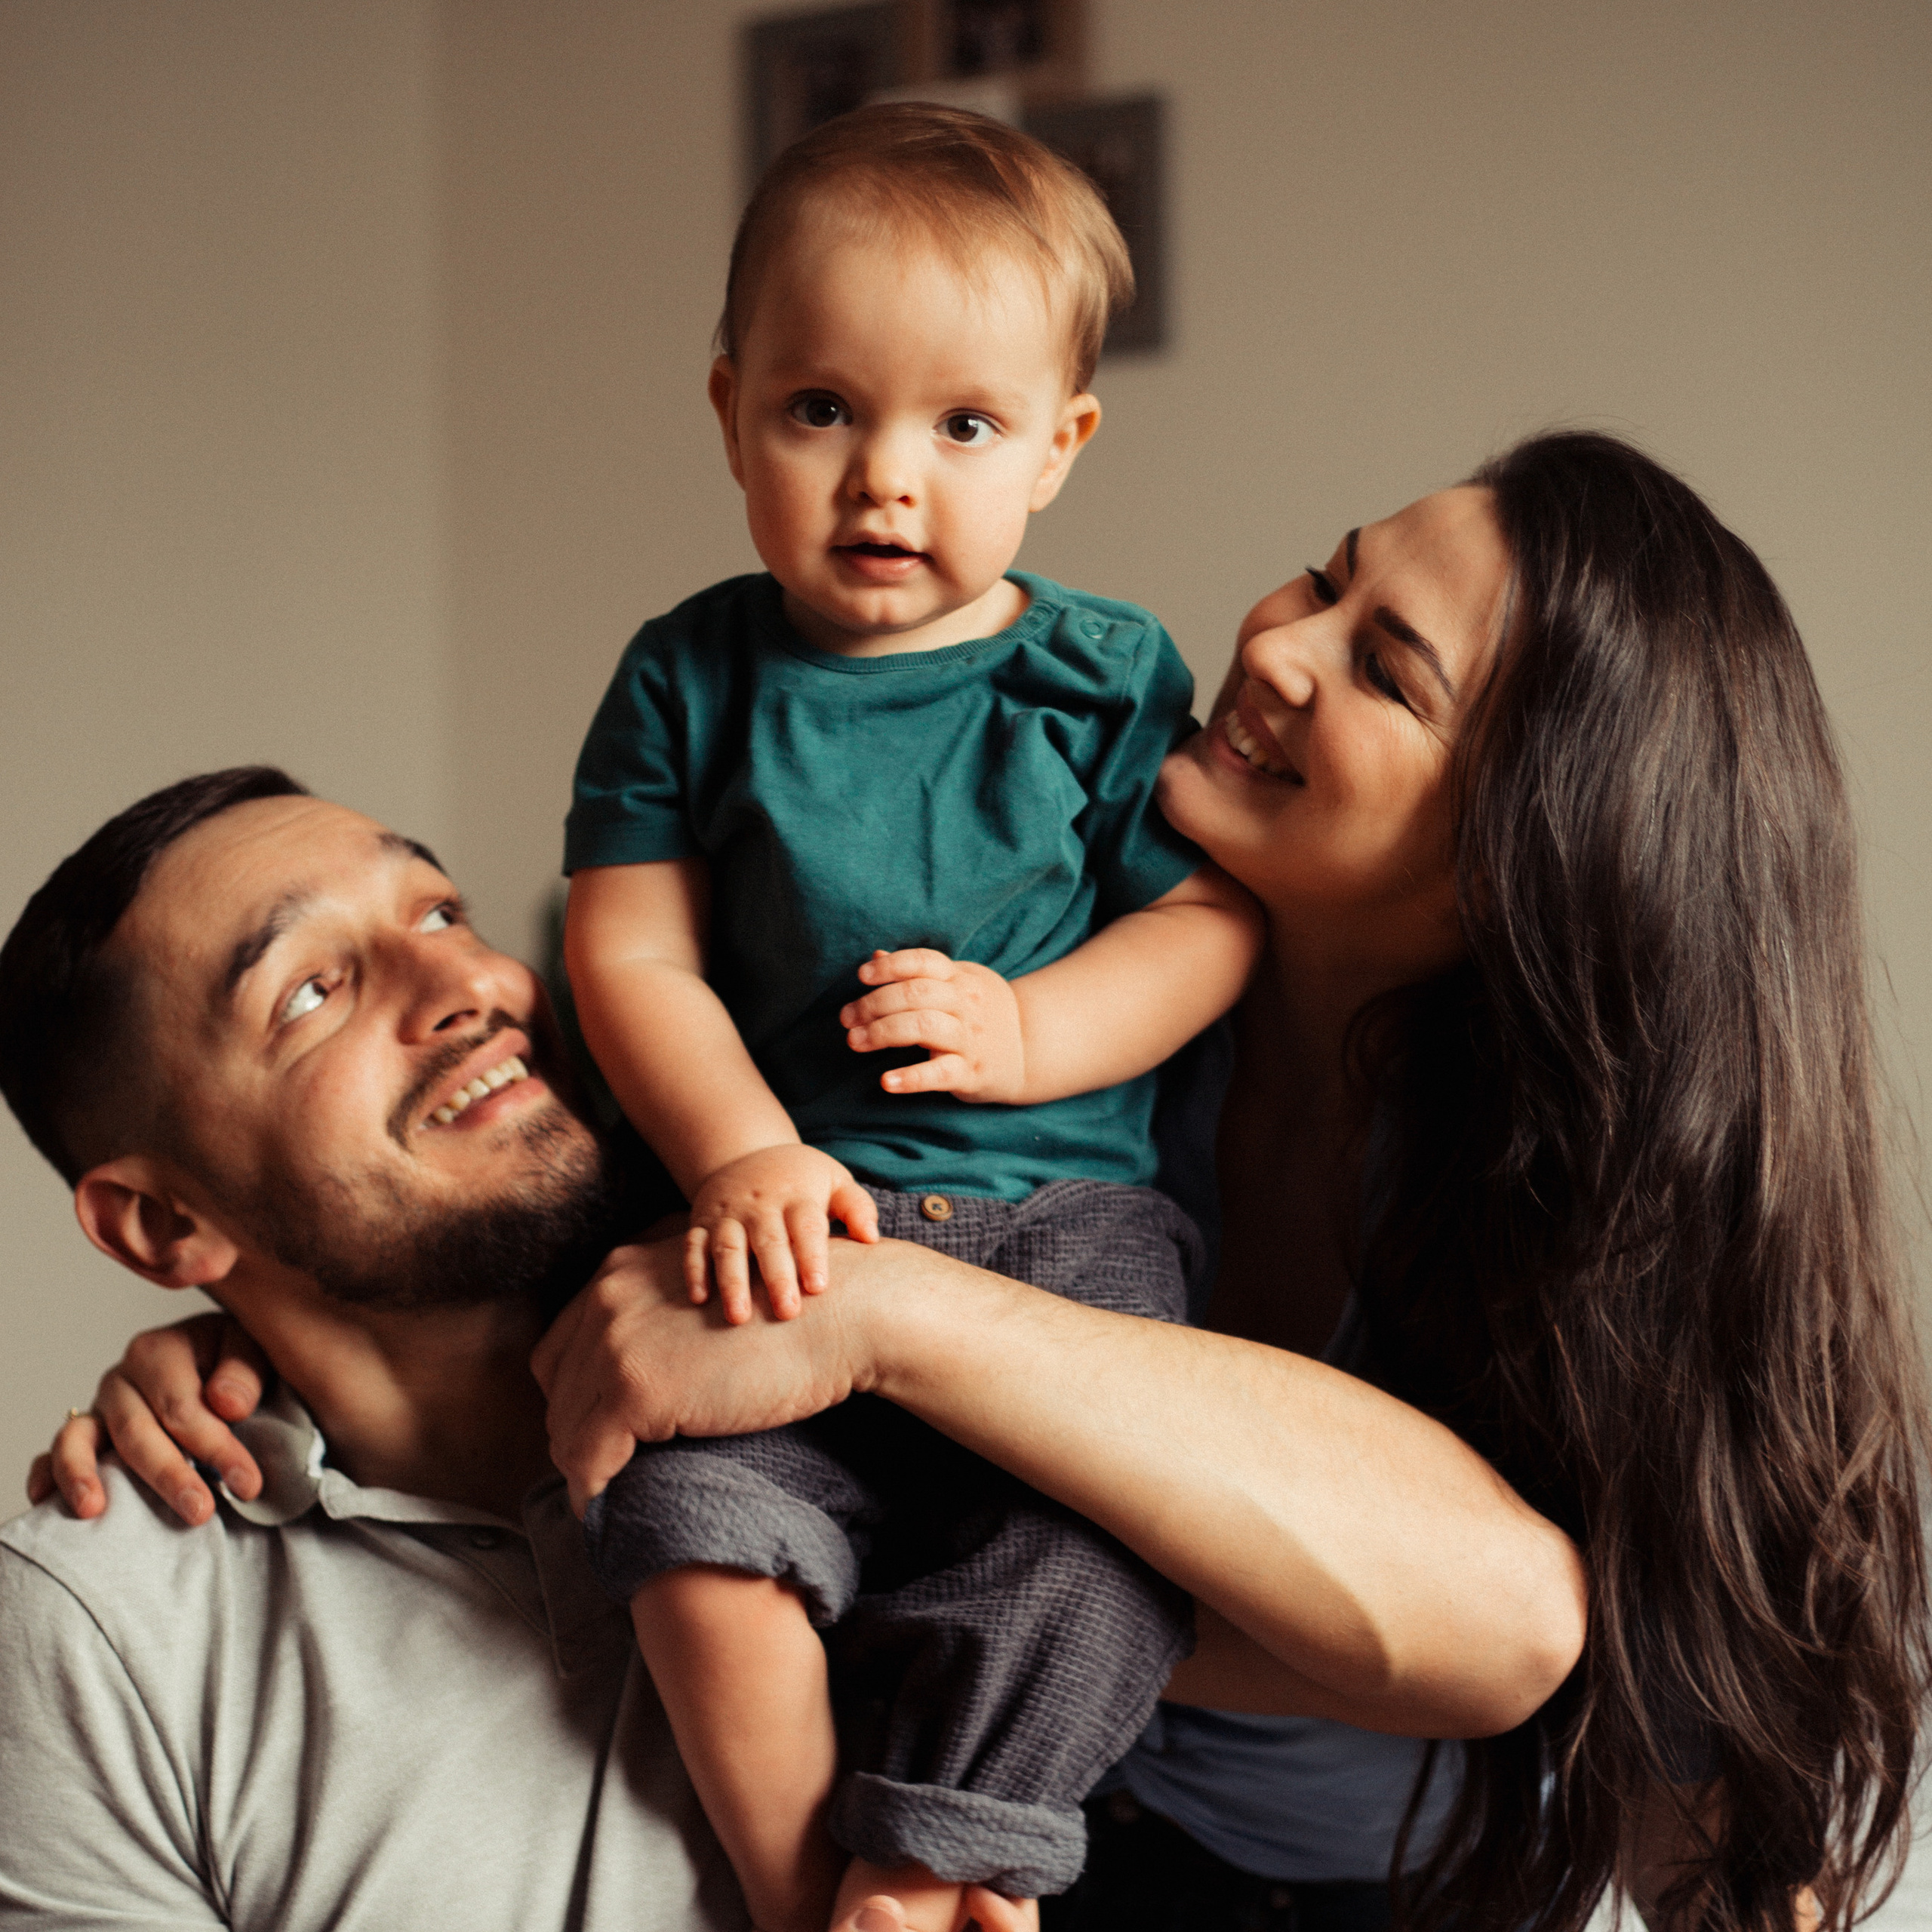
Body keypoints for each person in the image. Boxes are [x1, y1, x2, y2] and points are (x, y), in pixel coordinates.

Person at [37, 433, 1927, 1931]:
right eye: (1329, 575)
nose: (1267, 644)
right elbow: (600, 1227)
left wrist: (888, 1315)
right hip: (1074, 1833)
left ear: (1527, 855)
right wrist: (244, 1354)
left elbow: (1560, 1656)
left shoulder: (1582, 1206)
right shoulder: (1057, 960)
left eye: (1383, 667)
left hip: (1389, 1874)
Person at [561, 103, 1255, 1932]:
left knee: (1093, 1553)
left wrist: (1029, 1032)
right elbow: (630, 953)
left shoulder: (1099, 677)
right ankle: (808, 1892)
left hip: (1064, 1242)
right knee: (692, 1531)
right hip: (794, 1223)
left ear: (1056, 448)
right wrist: (741, 1148)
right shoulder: (688, 674)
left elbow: (1204, 934)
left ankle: (945, 1847)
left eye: (960, 426)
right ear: (727, 410)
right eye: (820, 410)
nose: (885, 478)